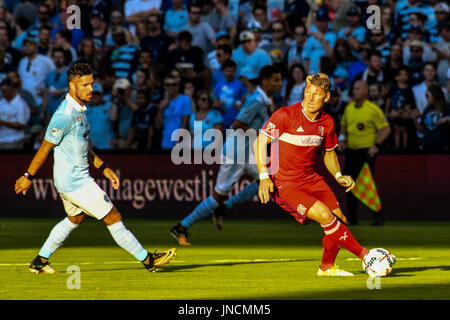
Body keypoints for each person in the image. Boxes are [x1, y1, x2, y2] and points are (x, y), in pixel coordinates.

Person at [14, 62, 176, 274]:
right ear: (72, 86)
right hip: (75, 182)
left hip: (67, 181)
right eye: (85, 85)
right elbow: (45, 147)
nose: (91, 89)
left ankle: (40, 260)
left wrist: (103, 168)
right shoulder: (64, 115)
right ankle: (148, 260)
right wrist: (28, 175)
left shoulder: (80, 110)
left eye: (92, 84)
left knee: (75, 218)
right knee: (113, 216)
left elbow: (83, 145)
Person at [255, 73, 373, 277]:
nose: (309, 98)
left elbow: (329, 153)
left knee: (339, 219)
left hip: (311, 178)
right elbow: (259, 143)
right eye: (307, 92)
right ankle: (366, 256)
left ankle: (326, 268)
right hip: (287, 183)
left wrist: (338, 174)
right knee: (326, 217)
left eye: (316, 94)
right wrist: (264, 177)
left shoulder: (327, 123)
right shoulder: (285, 115)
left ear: (326, 97)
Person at [170, 65, 282, 245]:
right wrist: (260, 134)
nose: (280, 83)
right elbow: (237, 124)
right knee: (218, 195)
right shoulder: (256, 100)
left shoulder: (265, 99)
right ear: (265, 82)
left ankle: (224, 208)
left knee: (266, 180)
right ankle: (181, 227)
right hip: (236, 152)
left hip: (246, 151)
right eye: (276, 80)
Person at [339, 80, 391, 226]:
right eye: (354, 89)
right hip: (351, 151)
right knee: (349, 184)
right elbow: (343, 127)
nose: (355, 91)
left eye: (358, 89)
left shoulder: (373, 109)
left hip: (366, 152)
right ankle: (352, 218)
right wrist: (342, 140)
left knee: (367, 184)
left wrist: (376, 145)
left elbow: (386, 129)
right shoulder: (349, 108)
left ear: (366, 92)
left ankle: (378, 216)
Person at [155, 76, 192, 151]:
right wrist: (161, 108)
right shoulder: (162, 101)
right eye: (168, 85)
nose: (171, 87)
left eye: (174, 84)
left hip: (180, 145)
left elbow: (185, 124)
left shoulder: (185, 100)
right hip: (165, 143)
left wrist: (178, 144)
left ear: (178, 85)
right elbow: (158, 126)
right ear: (164, 86)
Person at [385, 67, 418, 151]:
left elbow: (410, 103)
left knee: (404, 130)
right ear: (396, 77)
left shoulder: (409, 89)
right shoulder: (393, 87)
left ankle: (404, 147)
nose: (403, 77)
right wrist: (386, 111)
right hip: (394, 112)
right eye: (400, 75)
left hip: (403, 113)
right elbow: (389, 99)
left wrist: (401, 111)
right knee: (396, 129)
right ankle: (397, 147)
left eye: (405, 75)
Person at [412, 84, 450, 152]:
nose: (426, 98)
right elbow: (421, 129)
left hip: (443, 148)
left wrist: (447, 119)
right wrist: (414, 118)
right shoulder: (427, 109)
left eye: (427, 96)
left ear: (435, 96)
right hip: (427, 147)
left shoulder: (447, 107)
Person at [0, 78, 30, 149]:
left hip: (14, 140)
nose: (3, 94)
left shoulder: (20, 104)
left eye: (5, 91)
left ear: (12, 90)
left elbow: (22, 125)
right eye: (2, 91)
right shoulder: (1, 102)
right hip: (1, 139)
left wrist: (3, 122)